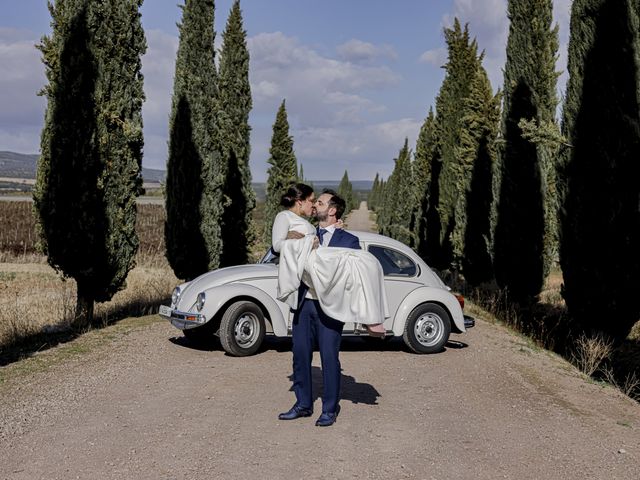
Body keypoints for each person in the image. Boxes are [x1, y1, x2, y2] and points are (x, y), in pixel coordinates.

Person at [272, 184, 388, 427]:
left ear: (333, 211)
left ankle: (329, 409)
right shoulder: (304, 232)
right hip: (305, 304)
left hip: (331, 309)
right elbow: (280, 252)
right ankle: (303, 405)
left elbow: (355, 277)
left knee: (329, 357)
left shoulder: (350, 240)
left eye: (321, 203)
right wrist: (291, 242)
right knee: (300, 355)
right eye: (315, 202)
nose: (315, 205)